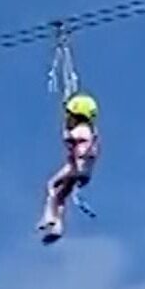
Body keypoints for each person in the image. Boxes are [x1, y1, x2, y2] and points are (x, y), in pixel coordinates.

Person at [38, 93, 100, 244]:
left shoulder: (81, 130)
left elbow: (69, 140)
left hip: (76, 168)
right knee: (61, 195)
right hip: (84, 171)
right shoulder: (92, 131)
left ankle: (49, 217)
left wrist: (65, 128)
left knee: (51, 185)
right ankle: (57, 227)